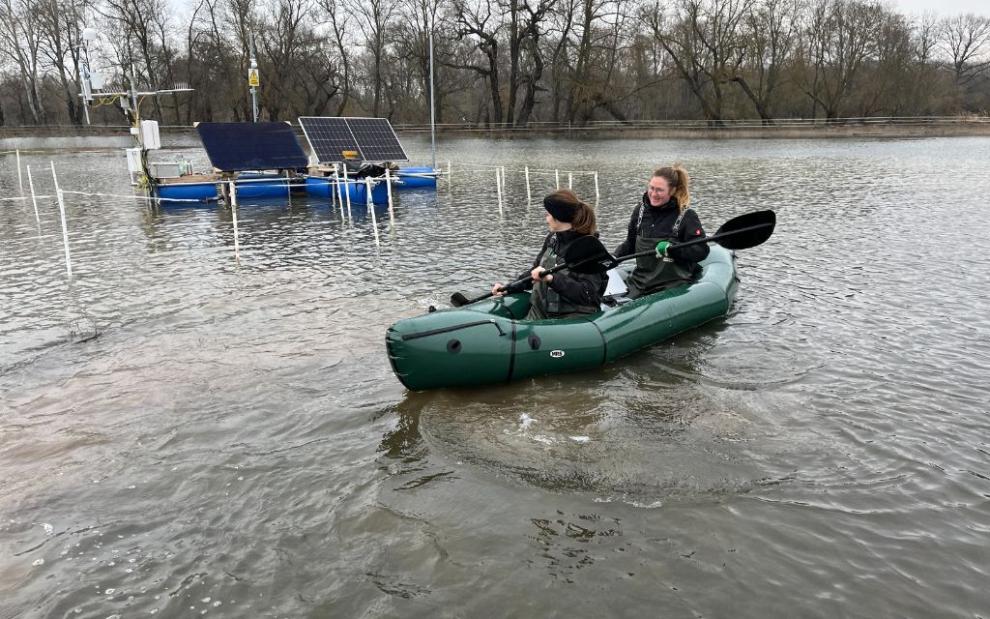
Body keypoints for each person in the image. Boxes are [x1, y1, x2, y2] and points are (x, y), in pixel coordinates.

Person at [492, 189, 606, 320]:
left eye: (547, 214)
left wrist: (552, 278)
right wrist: (509, 287)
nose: (546, 219)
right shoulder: (553, 239)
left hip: (572, 320)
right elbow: (534, 272)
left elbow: (588, 294)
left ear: (558, 217)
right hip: (540, 313)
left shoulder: (588, 247)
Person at [614, 165, 709, 299]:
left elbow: (701, 250)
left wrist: (673, 248)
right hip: (641, 283)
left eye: (659, 190)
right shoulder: (639, 211)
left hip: (672, 285)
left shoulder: (686, 216)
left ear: (672, 190)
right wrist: (613, 257)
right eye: (651, 188)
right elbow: (631, 244)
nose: (653, 194)